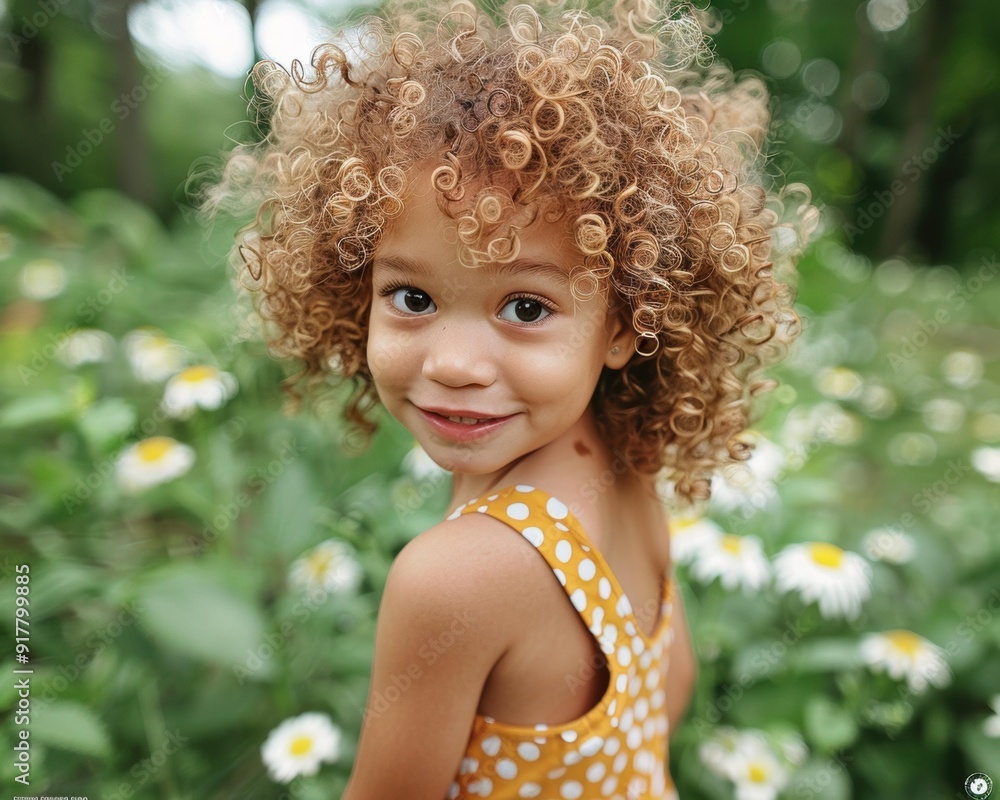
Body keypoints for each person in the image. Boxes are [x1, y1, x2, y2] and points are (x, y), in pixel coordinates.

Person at [202, 0, 816, 796]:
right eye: (412, 298)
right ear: (354, 288)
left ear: (627, 324)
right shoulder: (623, 470)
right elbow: (669, 692)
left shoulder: (455, 577)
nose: (455, 364)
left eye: (526, 307)